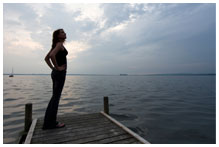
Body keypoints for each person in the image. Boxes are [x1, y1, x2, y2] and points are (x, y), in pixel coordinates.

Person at [43, 29, 68, 130]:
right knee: (55, 99)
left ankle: (48, 122)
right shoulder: (58, 45)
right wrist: (57, 68)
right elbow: (51, 56)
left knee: (54, 98)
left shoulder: (56, 45)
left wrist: (53, 68)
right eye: (62, 32)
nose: (65, 33)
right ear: (58, 36)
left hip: (56, 74)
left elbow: (46, 58)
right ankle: (51, 123)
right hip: (59, 74)